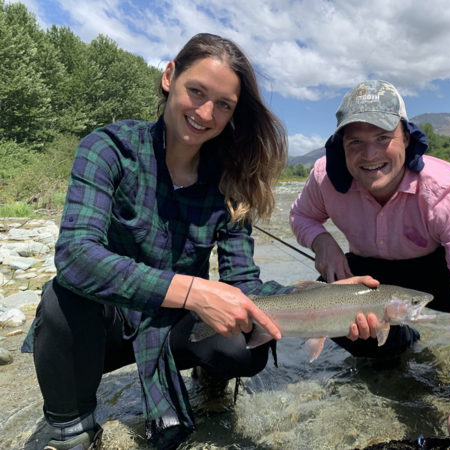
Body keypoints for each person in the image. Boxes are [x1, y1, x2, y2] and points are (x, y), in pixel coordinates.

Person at [20, 33, 375, 450]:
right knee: (61, 301)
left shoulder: (229, 182)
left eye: (223, 104)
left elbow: (245, 285)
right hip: (105, 326)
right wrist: (193, 290)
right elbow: (76, 257)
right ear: (170, 76)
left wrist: (326, 299)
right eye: (197, 92)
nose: (206, 112)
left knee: (246, 343)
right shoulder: (108, 150)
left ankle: (210, 380)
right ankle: (72, 428)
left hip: (176, 324)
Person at [289, 80, 450, 450]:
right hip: (372, 270)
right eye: (355, 143)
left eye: (383, 137)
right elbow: (301, 216)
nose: (370, 154)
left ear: (408, 138)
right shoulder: (323, 177)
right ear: (340, 147)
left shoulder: (446, 189)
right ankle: (394, 346)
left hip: (437, 270)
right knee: (328, 287)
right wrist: (323, 242)